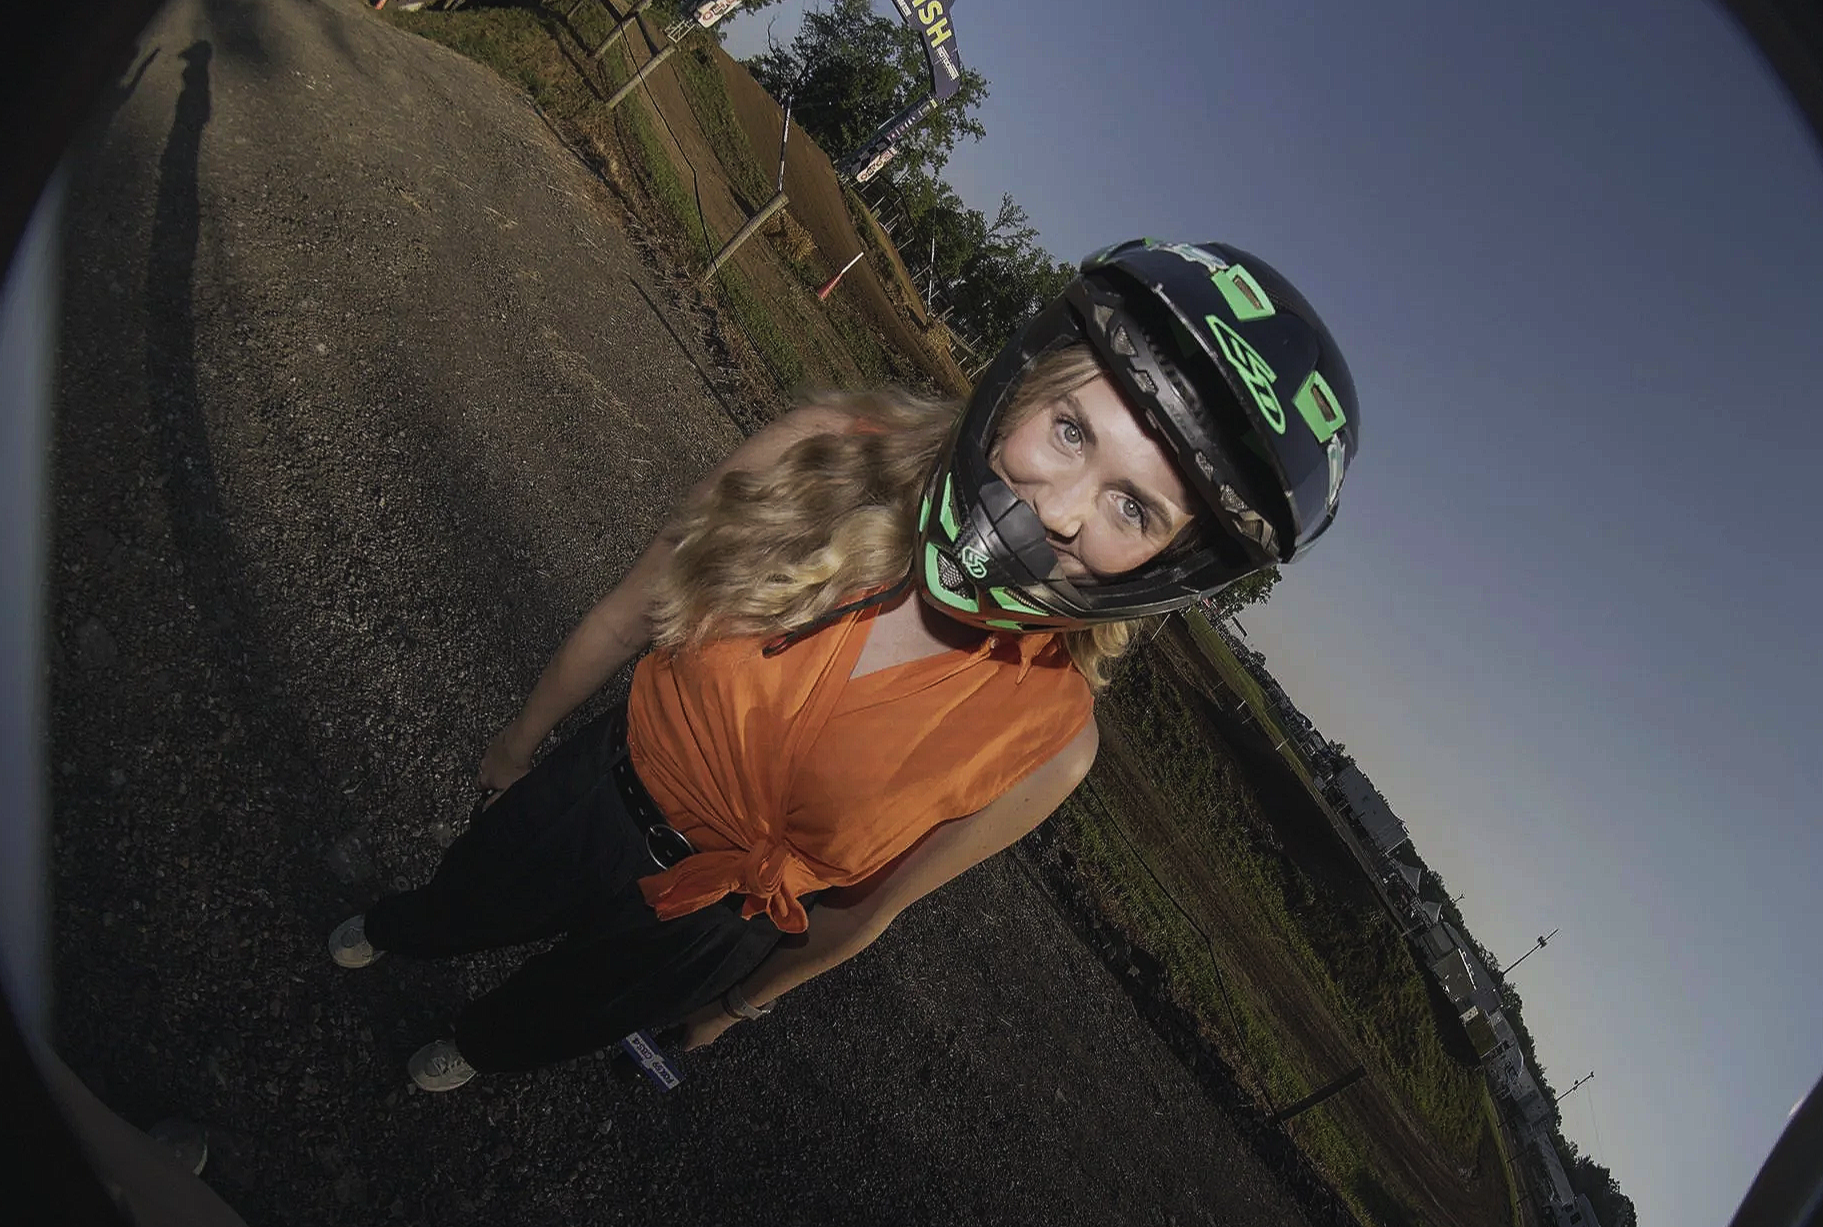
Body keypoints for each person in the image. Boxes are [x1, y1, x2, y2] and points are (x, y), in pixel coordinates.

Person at [326, 238, 1359, 1092]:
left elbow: (871, 909)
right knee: (454, 906)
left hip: (712, 931)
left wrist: (738, 1002)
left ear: (1169, 567)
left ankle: (467, 1050)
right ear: (1022, 381)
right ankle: (395, 928)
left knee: (540, 1026)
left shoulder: (1051, 741)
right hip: (593, 795)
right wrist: (517, 741)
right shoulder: (824, 447)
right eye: (1070, 429)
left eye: (1134, 508)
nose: (1058, 509)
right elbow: (634, 603)